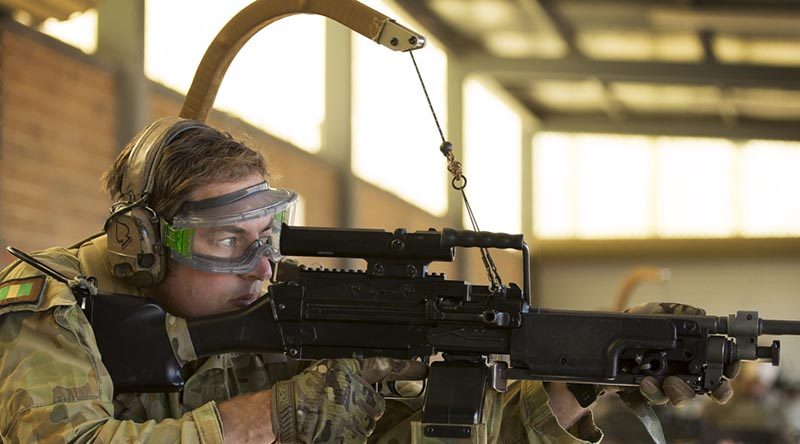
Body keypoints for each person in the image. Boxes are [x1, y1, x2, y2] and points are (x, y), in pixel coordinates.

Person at [0, 117, 732, 443]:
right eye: (228, 242)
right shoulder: (53, 305)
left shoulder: (278, 312)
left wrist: (593, 375)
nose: (261, 267)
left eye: (268, 240)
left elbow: (433, 435)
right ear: (141, 242)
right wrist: (287, 413)